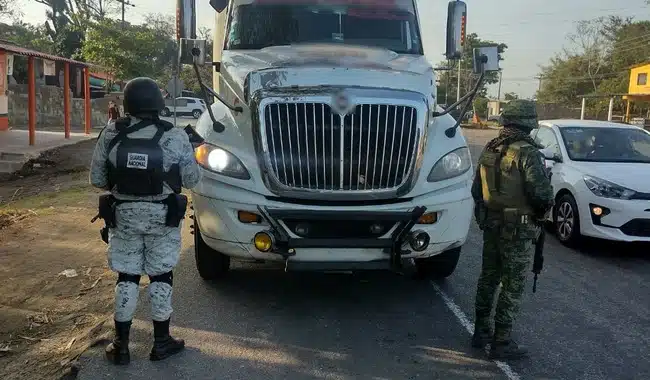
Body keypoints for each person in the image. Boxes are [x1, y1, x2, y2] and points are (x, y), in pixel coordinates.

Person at [89, 77, 201, 365]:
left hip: (123, 217)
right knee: (161, 275)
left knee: (126, 276)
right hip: (162, 218)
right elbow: (192, 180)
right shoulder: (175, 136)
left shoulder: (111, 133)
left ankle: (120, 345)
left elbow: (97, 179)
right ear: (158, 104)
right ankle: (161, 343)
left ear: (127, 104)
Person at [470, 99, 554, 360]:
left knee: (488, 278)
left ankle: (480, 332)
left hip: (492, 224)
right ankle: (502, 342)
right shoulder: (528, 152)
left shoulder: (491, 148)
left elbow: (476, 190)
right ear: (529, 124)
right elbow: (541, 195)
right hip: (517, 229)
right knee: (512, 285)